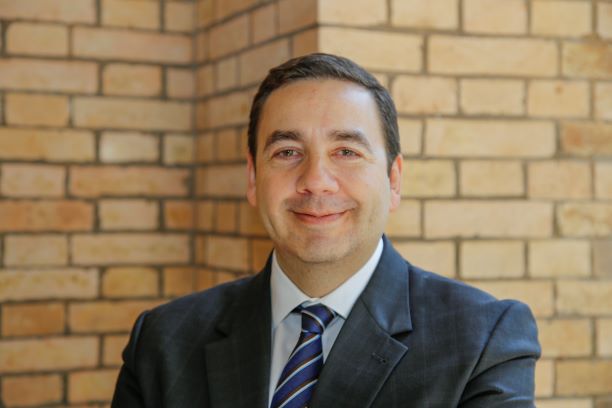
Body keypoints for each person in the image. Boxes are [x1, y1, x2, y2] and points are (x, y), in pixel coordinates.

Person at [112, 53, 540, 408]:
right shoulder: (163, 341)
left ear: (393, 180)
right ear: (253, 179)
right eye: (287, 152)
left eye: (346, 151)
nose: (316, 181)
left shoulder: (483, 340)